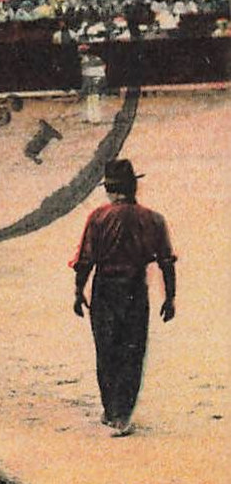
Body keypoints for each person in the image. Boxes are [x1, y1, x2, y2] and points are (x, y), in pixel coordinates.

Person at [71, 159, 177, 437]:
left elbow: (84, 260)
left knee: (106, 351)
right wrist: (170, 297)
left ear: (108, 188)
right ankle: (122, 415)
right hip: (135, 289)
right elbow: (166, 261)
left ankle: (111, 410)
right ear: (134, 187)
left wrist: (77, 291)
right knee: (132, 351)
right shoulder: (154, 219)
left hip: (105, 288)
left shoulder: (97, 217)